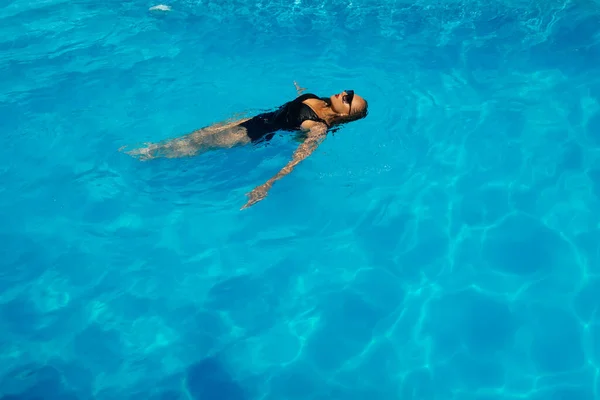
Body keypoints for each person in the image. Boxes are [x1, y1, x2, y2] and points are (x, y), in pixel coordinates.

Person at [125, 82, 368, 209]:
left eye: (348, 100)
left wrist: (267, 185)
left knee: (201, 145)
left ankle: (151, 156)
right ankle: (155, 149)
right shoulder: (322, 100)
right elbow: (298, 101)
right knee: (200, 133)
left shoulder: (318, 128)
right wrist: (300, 89)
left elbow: (298, 158)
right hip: (255, 118)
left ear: (345, 116)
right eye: (348, 92)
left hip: (255, 133)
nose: (344, 93)